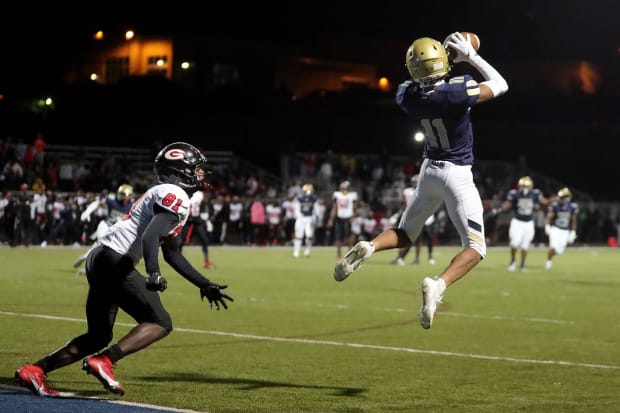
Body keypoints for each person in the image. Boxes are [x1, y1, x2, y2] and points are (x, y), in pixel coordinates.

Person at [15, 142, 233, 397]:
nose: (201, 174)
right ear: (180, 170)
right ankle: (105, 361)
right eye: (196, 169)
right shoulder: (176, 195)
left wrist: (203, 283)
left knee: (98, 335)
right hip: (116, 260)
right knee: (160, 321)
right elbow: (150, 236)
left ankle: (36, 369)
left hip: (101, 258)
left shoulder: (168, 194)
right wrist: (153, 272)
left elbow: (172, 252)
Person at [333, 32, 508, 329]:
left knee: (405, 232)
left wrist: (436, 61)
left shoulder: (406, 95)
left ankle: (370, 247)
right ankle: (438, 284)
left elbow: (423, 80)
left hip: (428, 171)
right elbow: (501, 85)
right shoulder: (456, 91)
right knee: (476, 247)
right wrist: (470, 57)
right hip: (456, 172)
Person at [491, 176, 552, 272]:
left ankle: (522, 264)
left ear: (531, 186)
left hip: (528, 223)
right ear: (519, 186)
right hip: (517, 221)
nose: (525, 188)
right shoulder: (515, 194)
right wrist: (499, 209)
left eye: (527, 186)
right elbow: (508, 203)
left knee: (525, 245)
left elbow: (544, 201)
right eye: (523, 186)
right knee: (514, 243)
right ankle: (512, 261)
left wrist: (552, 200)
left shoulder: (535, 194)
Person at [73, 184, 135, 273]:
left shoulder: (132, 207)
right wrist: (88, 211)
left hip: (116, 231)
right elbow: (97, 203)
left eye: (127, 196)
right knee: (103, 245)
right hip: (106, 225)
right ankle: (89, 260)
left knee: (108, 250)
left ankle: (87, 257)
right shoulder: (112, 202)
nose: (125, 198)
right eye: (123, 195)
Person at [391, 174, 437, 266]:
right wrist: (397, 214)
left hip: (427, 218)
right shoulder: (407, 191)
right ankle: (402, 257)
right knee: (412, 239)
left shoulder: (426, 191)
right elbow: (404, 205)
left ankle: (429, 256)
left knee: (429, 239)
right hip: (414, 218)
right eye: (414, 182)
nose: (415, 183)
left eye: (416, 182)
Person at [179, 188, 215, 268]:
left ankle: (206, 261)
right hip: (188, 218)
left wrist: (204, 215)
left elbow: (203, 205)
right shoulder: (185, 193)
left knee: (204, 239)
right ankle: (177, 260)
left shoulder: (200, 194)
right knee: (181, 240)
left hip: (197, 219)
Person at [544, 187, 578, 270]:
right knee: (553, 246)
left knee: (560, 251)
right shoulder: (555, 206)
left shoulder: (572, 207)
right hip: (556, 229)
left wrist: (573, 231)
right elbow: (549, 217)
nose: (564, 199)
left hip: (565, 231)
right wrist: (547, 226)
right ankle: (548, 261)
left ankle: (550, 257)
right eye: (562, 197)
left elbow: (574, 220)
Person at [327, 180, 358, 258]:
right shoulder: (337, 195)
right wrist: (331, 219)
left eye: (345, 188)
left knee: (349, 237)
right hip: (339, 218)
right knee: (338, 237)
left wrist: (353, 217)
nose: (344, 189)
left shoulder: (352, 195)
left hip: (348, 217)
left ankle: (350, 254)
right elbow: (334, 207)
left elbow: (355, 207)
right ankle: (338, 254)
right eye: (343, 188)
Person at [293, 183, 318, 258]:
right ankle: (296, 252)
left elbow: (316, 210)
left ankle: (307, 251)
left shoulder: (314, 199)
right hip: (301, 218)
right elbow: (296, 209)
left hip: (309, 218)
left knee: (309, 235)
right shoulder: (299, 198)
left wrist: (314, 217)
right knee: (298, 236)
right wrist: (298, 216)